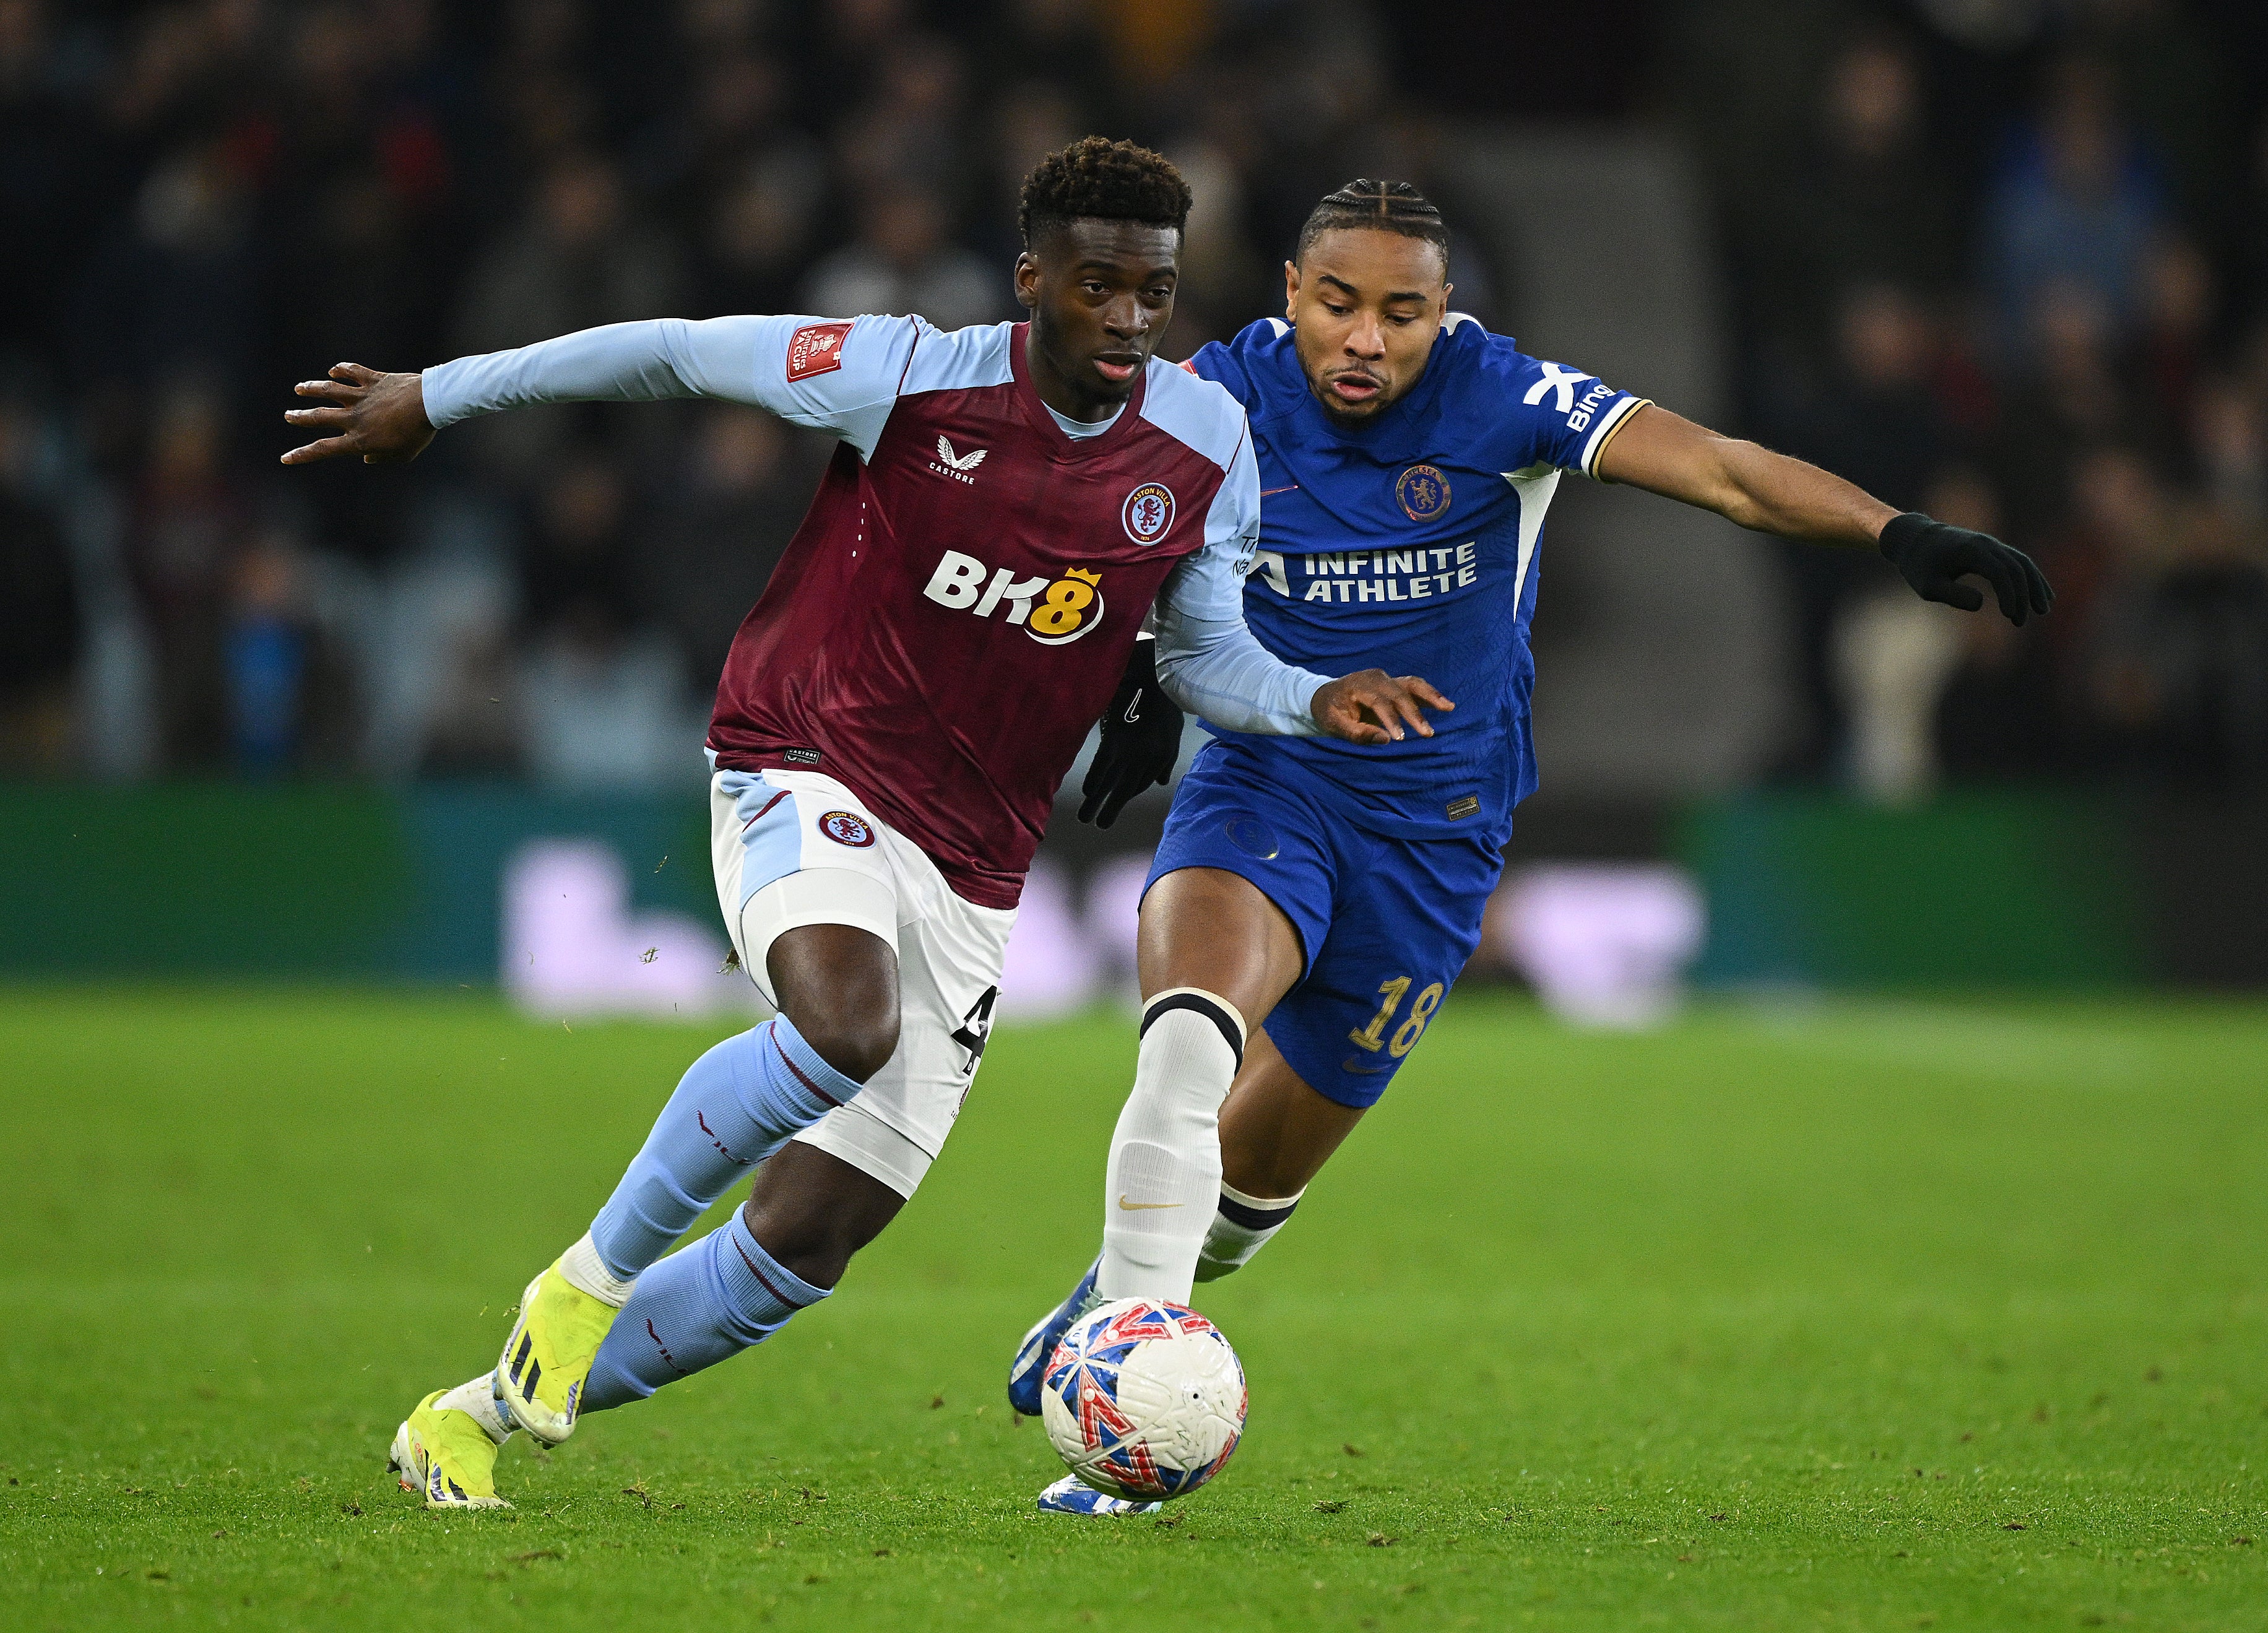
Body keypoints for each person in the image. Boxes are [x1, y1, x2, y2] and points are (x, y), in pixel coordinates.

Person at [281, 139, 1445, 1510]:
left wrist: (1316, 700)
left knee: (810, 1238)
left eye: (1154, 292)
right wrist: (440, 395)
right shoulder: (905, 371)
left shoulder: (1202, 443)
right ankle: (584, 1279)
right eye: (1096, 288)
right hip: (805, 759)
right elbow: (671, 349)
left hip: (974, 861)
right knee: (843, 1027)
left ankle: (469, 1413)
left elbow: (1203, 658)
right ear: (1029, 283)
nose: (1130, 319)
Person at [1011, 180, 2054, 1515]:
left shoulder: (1505, 397)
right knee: (1183, 1037)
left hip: (1434, 842)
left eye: (1400, 311)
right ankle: (1122, 1447)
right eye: (1337, 304)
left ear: (1444, 314)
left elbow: (1725, 471)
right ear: (1288, 292)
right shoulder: (1213, 398)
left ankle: (1120, 1286)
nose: (1364, 340)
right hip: (1265, 784)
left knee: (1242, 1202)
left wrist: (1891, 530)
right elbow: (1060, 516)